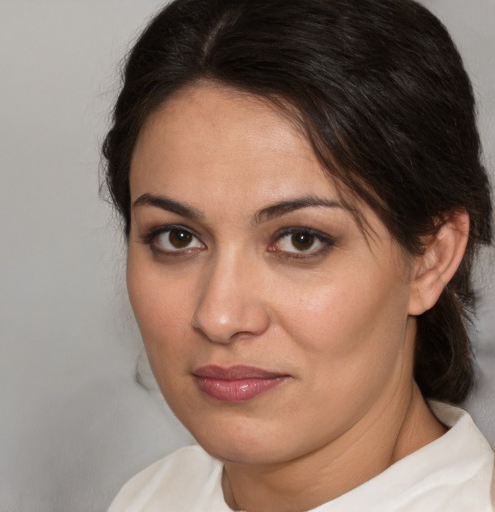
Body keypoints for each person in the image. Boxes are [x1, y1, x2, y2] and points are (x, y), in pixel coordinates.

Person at [103, 0, 495, 510]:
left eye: (300, 240)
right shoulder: (150, 497)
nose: (219, 317)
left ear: (430, 259)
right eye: (178, 237)